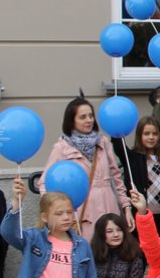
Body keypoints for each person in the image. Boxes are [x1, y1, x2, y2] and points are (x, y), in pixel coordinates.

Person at [39, 97, 130, 240]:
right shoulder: (62, 147)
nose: (89, 120)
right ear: (72, 120)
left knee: (111, 255)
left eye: (91, 116)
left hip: (109, 210)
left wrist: (126, 207)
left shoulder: (103, 142)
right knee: (87, 254)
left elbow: (117, 177)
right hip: (82, 214)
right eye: (82, 117)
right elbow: (44, 183)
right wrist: (58, 212)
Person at [113, 116, 160, 243]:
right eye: (146, 134)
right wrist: (116, 123)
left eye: (155, 134)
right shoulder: (133, 158)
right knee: (146, 249)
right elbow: (118, 145)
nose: (151, 137)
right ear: (139, 136)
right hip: (143, 214)